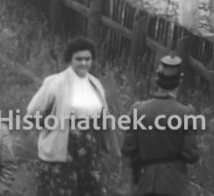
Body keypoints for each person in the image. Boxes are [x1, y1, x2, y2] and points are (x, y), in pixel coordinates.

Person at [26, 36, 120, 196]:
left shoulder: (95, 83)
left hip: (89, 146)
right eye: (79, 59)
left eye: (87, 59)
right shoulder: (55, 83)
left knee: (91, 188)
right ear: (70, 59)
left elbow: (102, 116)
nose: (84, 63)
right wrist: (51, 129)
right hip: (64, 147)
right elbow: (34, 111)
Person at [121, 53, 201, 196]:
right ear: (180, 81)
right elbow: (191, 155)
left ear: (157, 80)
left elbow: (128, 148)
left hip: (144, 183)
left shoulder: (137, 110)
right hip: (175, 186)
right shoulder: (187, 113)